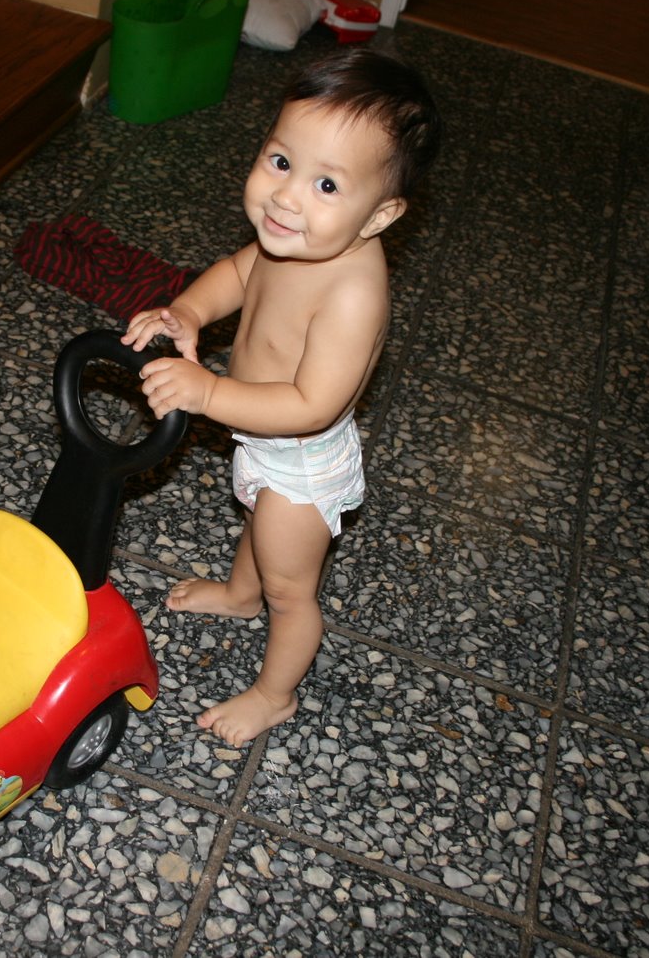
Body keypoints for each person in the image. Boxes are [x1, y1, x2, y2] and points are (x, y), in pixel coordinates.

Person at [122, 47, 441, 746]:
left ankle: (274, 694)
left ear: (381, 215)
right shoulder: (289, 238)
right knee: (256, 521)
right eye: (280, 161)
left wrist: (210, 391)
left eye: (327, 185)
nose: (287, 196)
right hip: (261, 435)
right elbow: (239, 274)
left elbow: (310, 406)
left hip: (302, 461)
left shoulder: (353, 291)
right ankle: (240, 597)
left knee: (290, 588)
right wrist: (189, 311)